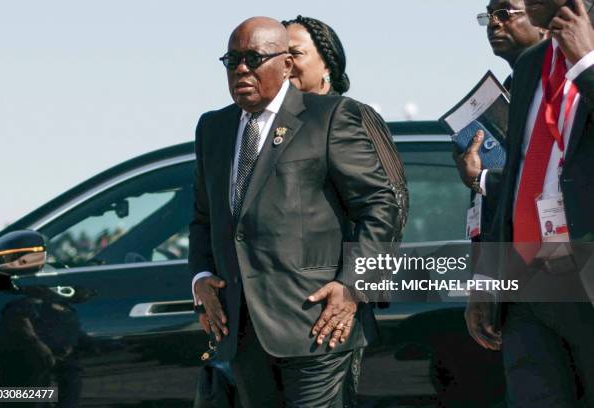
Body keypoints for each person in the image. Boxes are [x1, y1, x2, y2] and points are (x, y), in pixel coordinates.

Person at [189, 17, 402, 407]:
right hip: (241, 333)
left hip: (317, 326)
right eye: (231, 59)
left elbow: (380, 204)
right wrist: (201, 278)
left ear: (286, 65)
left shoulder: (329, 116)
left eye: (254, 58)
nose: (241, 69)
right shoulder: (213, 128)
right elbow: (204, 219)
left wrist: (353, 285)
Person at [465, 0, 594, 406]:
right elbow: (520, 176)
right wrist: (487, 280)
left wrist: (587, 63)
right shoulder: (529, 65)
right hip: (527, 283)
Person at [282, 15, 408, 407]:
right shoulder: (269, 129)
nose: (284, 64)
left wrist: (354, 285)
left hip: (339, 304)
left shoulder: (349, 114)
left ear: (328, 64)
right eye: (277, 54)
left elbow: (392, 202)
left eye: (295, 54)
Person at [454, 0, 544, 244]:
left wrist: (480, 178)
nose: (493, 23)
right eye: (490, 14)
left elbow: (550, 175)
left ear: (542, 18)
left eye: (505, 13)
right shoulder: (507, 89)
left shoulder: (557, 88)